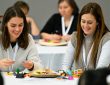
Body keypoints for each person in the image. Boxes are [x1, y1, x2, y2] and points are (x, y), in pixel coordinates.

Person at [62, 2, 110, 71]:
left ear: (98, 22)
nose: (85, 26)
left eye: (90, 22)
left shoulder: (107, 39)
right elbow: (66, 66)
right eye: (83, 21)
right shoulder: (75, 37)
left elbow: (100, 70)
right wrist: (69, 77)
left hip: (98, 80)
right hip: (76, 80)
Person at [0, 6, 42, 72]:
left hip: (20, 80)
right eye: (13, 26)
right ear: (5, 24)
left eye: (20, 25)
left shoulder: (28, 38)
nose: (17, 29)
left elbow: (39, 66)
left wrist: (32, 66)